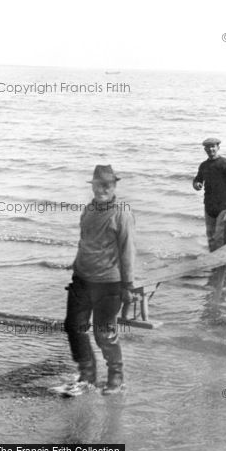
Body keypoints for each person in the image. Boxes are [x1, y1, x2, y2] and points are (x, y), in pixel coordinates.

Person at [64, 164, 135, 395]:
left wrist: (128, 286)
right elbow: (84, 241)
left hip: (109, 282)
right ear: (93, 186)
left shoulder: (122, 212)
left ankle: (116, 376)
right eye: (98, 185)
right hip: (82, 278)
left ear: (114, 187)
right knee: (74, 326)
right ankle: (87, 374)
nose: (102, 189)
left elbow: (127, 251)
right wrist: (77, 266)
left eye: (107, 185)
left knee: (104, 332)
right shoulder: (88, 210)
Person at [193, 138, 226, 252]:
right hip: (209, 205)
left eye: (213, 147)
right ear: (205, 149)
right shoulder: (204, 165)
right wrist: (197, 184)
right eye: (208, 147)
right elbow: (197, 179)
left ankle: (221, 263)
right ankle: (213, 262)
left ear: (218, 148)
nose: (210, 149)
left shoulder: (225, 163)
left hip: (224, 205)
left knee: (219, 237)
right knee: (210, 236)